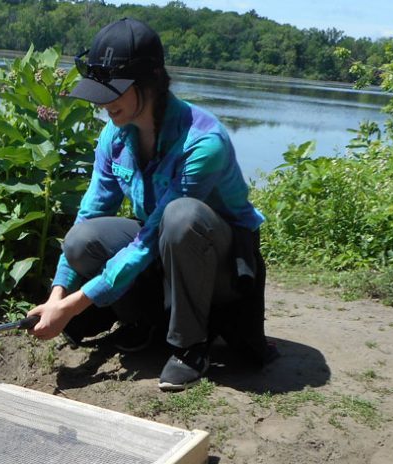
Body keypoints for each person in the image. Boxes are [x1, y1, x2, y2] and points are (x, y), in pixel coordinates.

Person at [27, 17, 275, 391]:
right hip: (162, 250)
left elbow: (152, 236)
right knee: (82, 238)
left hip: (220, 263)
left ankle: (190, 345)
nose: (103, 103)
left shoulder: (203, 141)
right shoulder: (115, 134)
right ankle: (146, 324)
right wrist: (56, 295)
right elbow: (91, 213)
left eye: (115, 90)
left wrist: (74, 307)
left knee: (181, 216)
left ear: (151, 81)